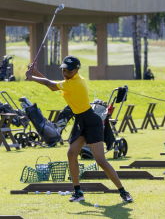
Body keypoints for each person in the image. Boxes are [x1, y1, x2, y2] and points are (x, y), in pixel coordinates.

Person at [25, 56, 133, 203]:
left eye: (68, 71)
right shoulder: (70, 81)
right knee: (71, 153)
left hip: (91, 122)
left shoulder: (76, 83)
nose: (65, 73)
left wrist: (31, 76)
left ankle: (123, 192)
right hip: (80, 121)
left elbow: (50, 85)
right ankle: (77, 192)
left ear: (76, 70)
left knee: (100, 160)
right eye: (63, 70)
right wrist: (36, 72)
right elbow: (52, 85)